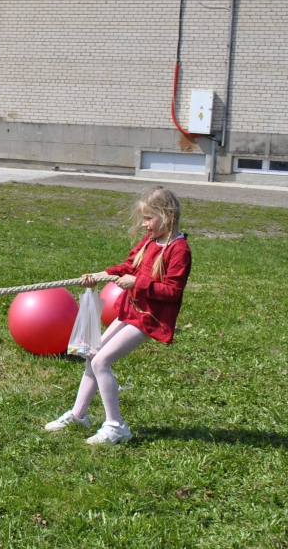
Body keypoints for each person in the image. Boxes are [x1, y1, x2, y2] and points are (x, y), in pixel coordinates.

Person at [45, 186, 192, 445]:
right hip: (131, 312)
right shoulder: (149, 241)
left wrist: (138, 284)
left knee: (101, 362)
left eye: (149, 218)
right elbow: (128, 266)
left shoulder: (179, 250)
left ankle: (116, 426)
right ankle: (79, 415)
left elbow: (172, 291)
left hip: (149, 319)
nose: (144, 224)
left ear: (168, 216)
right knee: (93, 355)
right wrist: (100, 275)